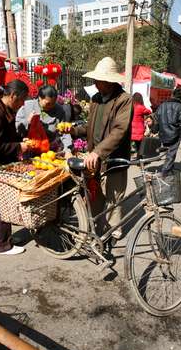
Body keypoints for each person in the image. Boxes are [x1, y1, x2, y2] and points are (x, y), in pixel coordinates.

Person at [71, 57, 133, 239]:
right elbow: (91, 126)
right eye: (95, 80)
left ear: (110, 81)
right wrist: (74, 130)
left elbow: (119, 130)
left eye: (99, 80)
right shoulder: (96, 99)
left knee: (114, 197)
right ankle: (95, 225)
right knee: (95, 194)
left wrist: (98, 152)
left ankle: (114, 231)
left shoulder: (124, 100)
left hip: (114, 158)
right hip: (94, 158)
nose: (95, 83)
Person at [0, 79, 30, 255]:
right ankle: (2, 245)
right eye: (22, 99)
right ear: (13, 95)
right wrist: (18, 147)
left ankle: (6, 238)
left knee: (4, 203)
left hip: (1, 167)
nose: (22, 104)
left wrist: (18, 140)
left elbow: (5, 136)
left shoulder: (6, 109)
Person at [15, 85, 72, 153]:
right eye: (48, 103)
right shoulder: (27, 106)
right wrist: (28, 121)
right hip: (28, 149)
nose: (51, 106)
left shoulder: (59, 110)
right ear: (40, 98)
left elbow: (64, 133)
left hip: (48, 151)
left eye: (53, 103)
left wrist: (68, 149)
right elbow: (17, 128)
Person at [155, 88, 181, 175]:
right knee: (171, 154)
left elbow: (156, 118)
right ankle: (164, 173)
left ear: (173, 95)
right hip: (174, 134)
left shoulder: (162, 105)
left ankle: (168, 168)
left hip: (163, 133)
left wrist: (156, 129)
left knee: (168, 153)